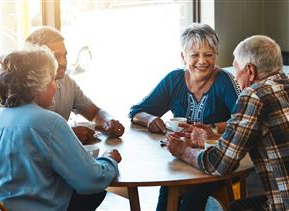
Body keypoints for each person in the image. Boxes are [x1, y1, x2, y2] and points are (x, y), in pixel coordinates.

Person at [0, 47, 121, 211]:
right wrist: (110, 160)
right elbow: (90, 180)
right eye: (52, 80)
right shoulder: (49, 122)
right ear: (38, 85)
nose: (56, 87)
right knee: (95, 192)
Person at [166, 35, 289, 210]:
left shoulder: (254, 96)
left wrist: (183, 150)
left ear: (250, 71)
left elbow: (220, 164)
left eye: (236, 68)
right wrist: (213, 136)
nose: (236, 77)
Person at [129, 23, 241, 211]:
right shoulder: (174, 80)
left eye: (208, 54)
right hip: (180, 158)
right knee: (168, 188)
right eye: (194, 55)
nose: (202, 61)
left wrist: (212, 129)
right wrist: (150, 120)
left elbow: (243, 121)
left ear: (216, 55)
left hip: (215, 161)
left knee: (193, 196)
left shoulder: (225, 81)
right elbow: (136, 111)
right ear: (183, 56)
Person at [25, 26, 124, 145]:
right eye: (56, 56)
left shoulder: (67, 82)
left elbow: (93, 112)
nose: (63, 62)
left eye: (65, 55)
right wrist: (68, 134)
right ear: (37, 58)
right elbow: (29, 136)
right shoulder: (23, 90)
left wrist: (108, 122)